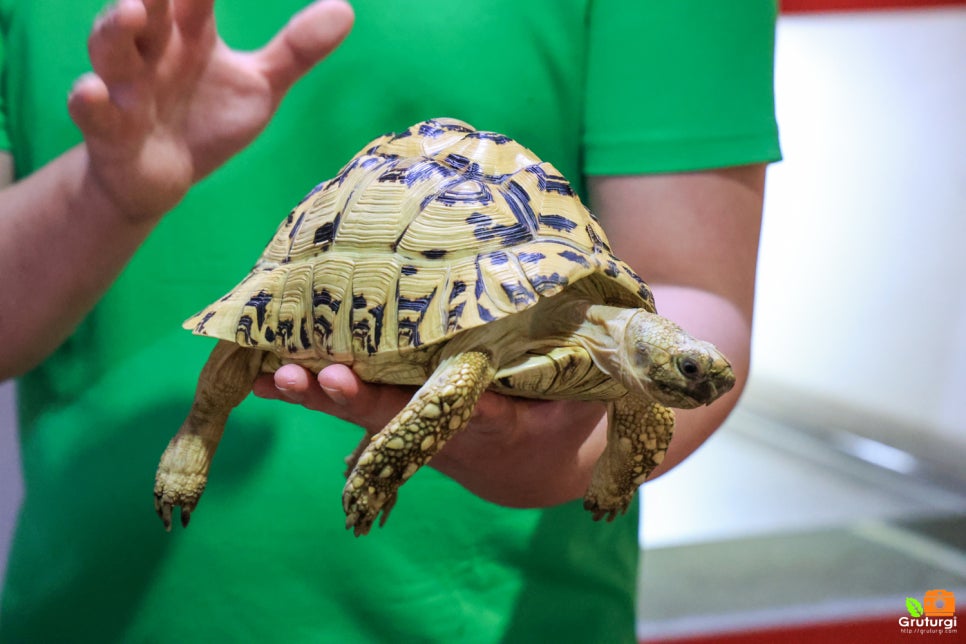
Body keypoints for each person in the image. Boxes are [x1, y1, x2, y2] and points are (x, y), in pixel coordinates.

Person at [0, 0, 781, 641]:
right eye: (689, 371)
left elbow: (686, 290)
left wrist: (566, 460)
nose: (700, 379)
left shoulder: (625, 348)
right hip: (90, 610)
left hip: (501, 618)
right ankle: (199, 433)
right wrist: (104, 191)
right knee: (265, 353)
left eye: (690, 369)